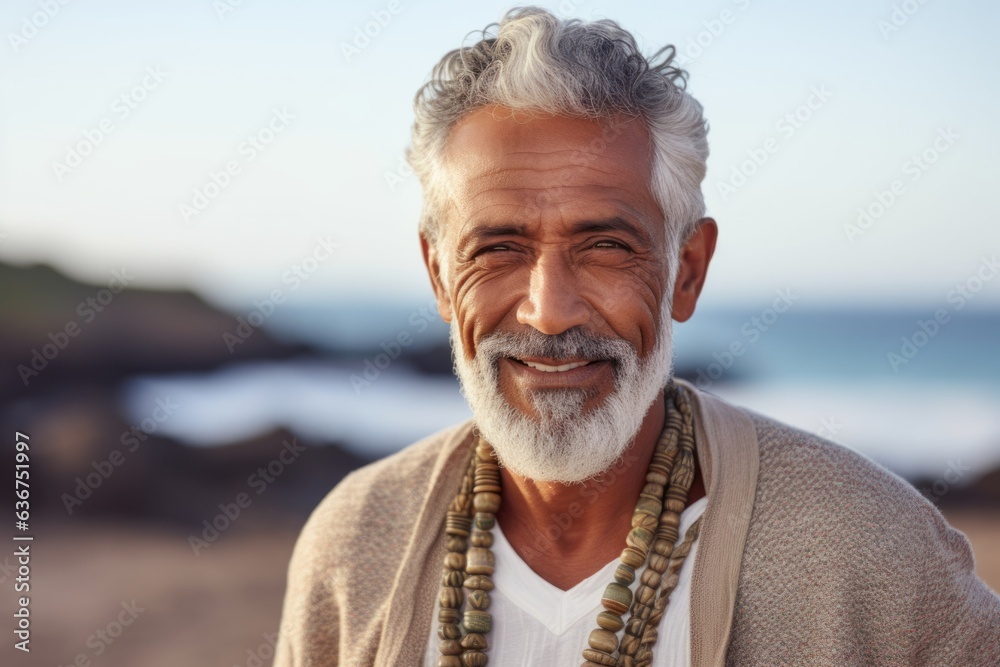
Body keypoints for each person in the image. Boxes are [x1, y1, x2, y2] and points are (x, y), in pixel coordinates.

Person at [273, 7, 1000, 666]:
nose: (549, 312)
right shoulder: (357, 543)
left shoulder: (869, 549)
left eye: (606, 246)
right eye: (498, 248)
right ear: (438, 276)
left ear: (687, 270)